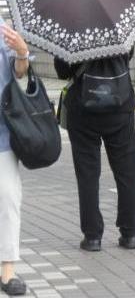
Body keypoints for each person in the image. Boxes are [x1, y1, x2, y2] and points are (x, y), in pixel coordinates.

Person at [54, 53, 135, 252]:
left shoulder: (72, 28)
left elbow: (62, 71)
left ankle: (92, 236)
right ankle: (130, 233)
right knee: (126, 173)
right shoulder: (119, 25)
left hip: (83, 108)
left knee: (87, 175)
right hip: (120, 103)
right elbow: (128, 55)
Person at [0, 23, 30, 296]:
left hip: (2, 134)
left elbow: (20, 75)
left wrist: (22, 53)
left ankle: (7, 270)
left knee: (8, 199)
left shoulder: (3, 32)